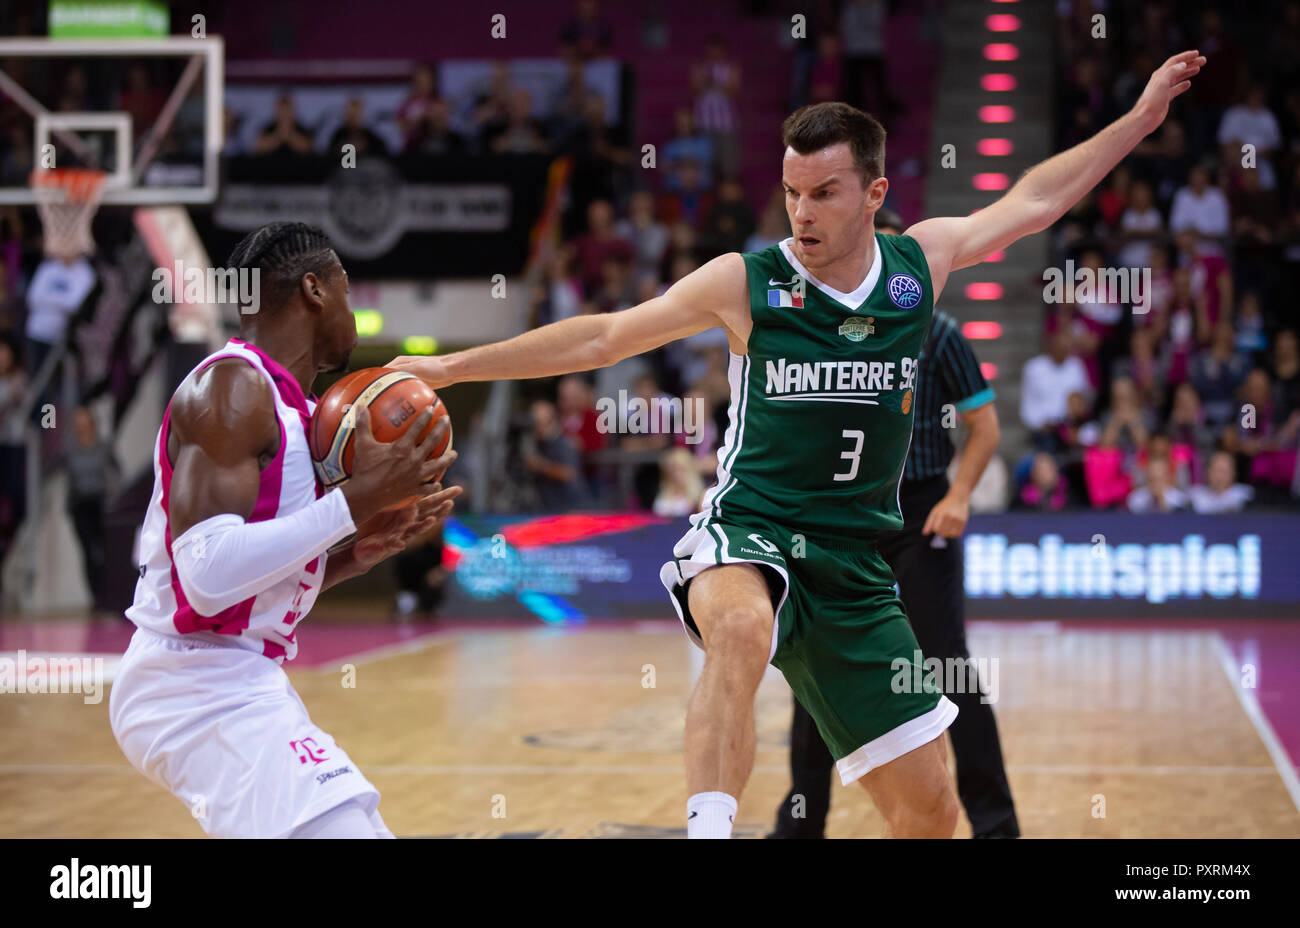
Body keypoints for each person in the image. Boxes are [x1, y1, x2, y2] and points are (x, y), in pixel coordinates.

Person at [390, 52, 1205, 838]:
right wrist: (455, 366)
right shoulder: (745, 282)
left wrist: (1138, 120)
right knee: (741, 631)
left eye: (823, 193)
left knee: (931, 815)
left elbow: (1035, 200)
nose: (802, 212)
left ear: (875, 192)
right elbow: (605, 336)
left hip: (857, 567)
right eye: (790, 193)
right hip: (751, 529)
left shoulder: (919, 268)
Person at [109, 222, 460, 838]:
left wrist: (348, 557)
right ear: (314, 289)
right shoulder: (231, 387)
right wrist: (354, 504)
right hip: (191, 683)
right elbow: (207, 577)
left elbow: (247, 590)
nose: (354, 310)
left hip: (238, 676)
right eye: (349, 291)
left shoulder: (295, 410)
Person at [769, 209, 1018, 838]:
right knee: (816, 668)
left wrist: (960, 495)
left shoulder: (938, 333)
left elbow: (985, 428)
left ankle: (997, 827)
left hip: (921, 516)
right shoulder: (827, 327)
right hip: (845, 520)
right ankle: (801, 825)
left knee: (945, 667)